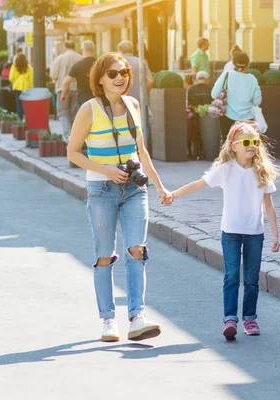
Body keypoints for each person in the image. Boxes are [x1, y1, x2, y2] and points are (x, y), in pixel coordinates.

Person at [67, 52, 171, 342]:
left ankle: (137, 317)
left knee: (137, 249)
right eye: (113, 73)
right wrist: (106, 170)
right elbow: (72, 152)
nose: (120, 77)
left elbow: (142, 152)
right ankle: (108, 320)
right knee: (104, 256)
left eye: (124, 72)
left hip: (134, 189)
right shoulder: (89, 109)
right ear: (100, 78)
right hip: (102, 189)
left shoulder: (133, 105)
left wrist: (160, 186)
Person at [165, 121, 280, 340]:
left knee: (252, 278)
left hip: (255, 232)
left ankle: (250, 318)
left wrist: (275, 233)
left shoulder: (262, 171)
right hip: (231, 232)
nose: (252, 146)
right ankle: (230, 319)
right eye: (247, 142)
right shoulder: (225, 170)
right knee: (231, 275)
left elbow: (269, 205)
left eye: (255, 142)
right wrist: (173, 194)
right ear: (234, 146)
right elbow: (198, 184)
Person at [212, 52, 262, 137]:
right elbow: (257, 102)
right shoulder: (252, 79)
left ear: (233, 63)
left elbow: (213, 94)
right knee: (245, 145)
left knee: (228, 145)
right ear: (247, 64)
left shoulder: (226, 75)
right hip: (247, 120)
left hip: (227, 119)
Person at [50, 41, 83, 139]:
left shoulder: (60, 58)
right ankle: (74, 137)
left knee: (63, 112)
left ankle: (67, 136)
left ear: (65, 47)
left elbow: (53, 75)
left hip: (62, 88)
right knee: (74, 113)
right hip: (77, 89)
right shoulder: (80, 58)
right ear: (74, 46)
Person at [62, 40, 97, 111]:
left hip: (83, 99)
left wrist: (63, 94)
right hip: (98, 98)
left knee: (84, 121)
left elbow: (66, 81)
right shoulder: (99, 64)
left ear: (82, 50)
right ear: (94, 50)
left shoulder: (77, 65)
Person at [117, 40, 154, 105]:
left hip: (123, 99)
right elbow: (150, 80)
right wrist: (145, 92)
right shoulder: (141, 61)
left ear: (120, 51)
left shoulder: (117, 63)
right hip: (140, 99)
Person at [9, 54, 33, 120]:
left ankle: (20, 118)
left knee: (18, 103)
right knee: (27, 104)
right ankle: (28, 118)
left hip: (17, 88)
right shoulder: (29, 68)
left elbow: (11, 78)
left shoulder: (14, 67)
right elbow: (31, 79)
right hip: (27, 88)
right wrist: (32, 88)